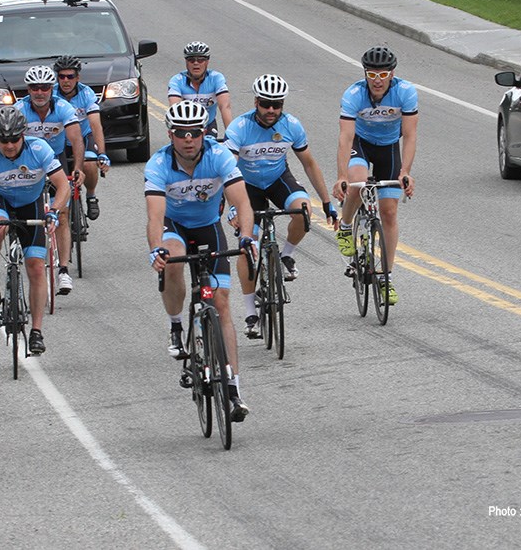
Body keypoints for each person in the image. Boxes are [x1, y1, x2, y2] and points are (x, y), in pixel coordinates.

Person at [145, 100, 256, 421]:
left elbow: (242, 203)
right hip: (174, 226)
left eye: (194, 132)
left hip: (208, 227)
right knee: (173, 259)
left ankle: (234, 390)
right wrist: (156, 248)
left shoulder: (219, 155)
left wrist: (246, 237)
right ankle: (176, 324)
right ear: (170, 134)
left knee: (221, 303)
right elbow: (155, 217)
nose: (188, 139)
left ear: (204, 133)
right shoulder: (158, 164)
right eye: (181, 133)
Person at [224, 74, 337, 338]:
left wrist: (327, 202)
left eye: (277, 105)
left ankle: (286, 255)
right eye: (266, 104)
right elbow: (227, 172)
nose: (271, 110)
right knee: (247, 245)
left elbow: (309, 164)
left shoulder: (292, 125)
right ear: (256, 102)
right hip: (246, 186)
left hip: (277, 180)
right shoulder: (239, 128)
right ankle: (250, 312)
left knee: (303, 211)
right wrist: (233, 208)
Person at [0, 107, 71, 355]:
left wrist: (54, 211)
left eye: (14, 139)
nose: (10, 145)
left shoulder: (39, 149)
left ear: (23, 134)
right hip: (0, 199)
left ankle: (36, 331)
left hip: (31, 203)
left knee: (36, 267)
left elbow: (63, 186)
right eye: (4, 141)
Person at [332, 46, 418, 306]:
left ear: (392, 74)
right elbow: (345, 137)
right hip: (360, 143)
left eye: (382, 74)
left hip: (388, 147)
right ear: (365, 74)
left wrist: (405, 172)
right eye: (371, 74)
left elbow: (410, 136)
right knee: (357, 183)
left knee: (389, 212)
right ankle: (346, 226)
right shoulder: (354, 95)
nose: (377, 80)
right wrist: (341, 176)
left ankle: (386, 277)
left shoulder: (405, 92)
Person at [13, 65, 85, 295]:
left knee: (61, 213)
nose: (40, 92)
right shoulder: (19, 110)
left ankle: (63, 270)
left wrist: (78, 168)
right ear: (28, 89)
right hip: (29, 163)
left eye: (44, 88)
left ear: (52, 89)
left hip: (56, 160)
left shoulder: (63, 107)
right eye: (35, 88)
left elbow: (76, 139)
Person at [53, 55, 110, 224]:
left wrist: (102, 153)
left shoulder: (87, 93)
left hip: (84, 136)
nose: (66, 81)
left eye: (70, 76)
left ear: (77, 77)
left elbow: (95, 125)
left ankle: (91, 195)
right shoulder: (52, 93)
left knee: (89, 163)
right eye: (62, 76)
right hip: (61, 139)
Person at [167, 41, 233, 139]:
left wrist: (231, 137)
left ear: (207, 62)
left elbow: (225, 107)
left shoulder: (216, 78)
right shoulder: (177, 81)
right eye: (191, 60)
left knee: (210, 146)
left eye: (201, 60)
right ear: (186, 62)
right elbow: (175, 109)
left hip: (208, 125)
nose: (196, 63)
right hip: (185, 127)